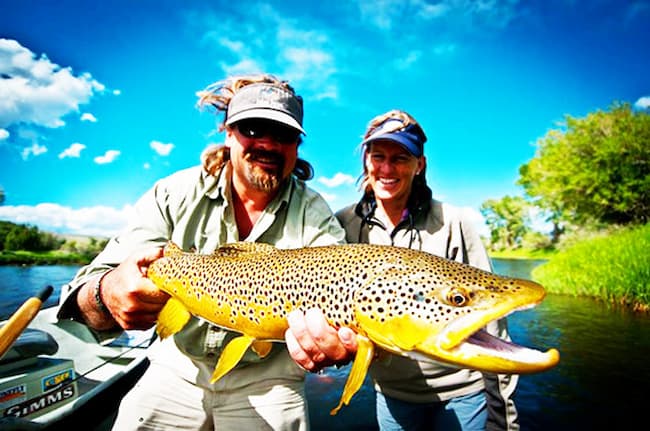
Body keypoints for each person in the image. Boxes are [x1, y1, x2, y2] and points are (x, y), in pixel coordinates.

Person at [56, 73, 356, 431]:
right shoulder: (173, 193)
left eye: (284, 135)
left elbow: (343, 282)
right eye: (254, 129)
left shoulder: (315, 212)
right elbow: (83, 295)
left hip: (269, 379)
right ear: (228, 133)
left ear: (296, 145)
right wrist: (107, 293)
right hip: (176, 367)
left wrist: (334, 339)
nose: (269, 144)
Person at [334, 110, 519, 431]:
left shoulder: (454, 221)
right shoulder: (344, 223)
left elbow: (494, 326)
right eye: (378, 156)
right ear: (366, 161)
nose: (387, 168)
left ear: (419, 164)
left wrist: (504, 419)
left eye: (401, 158)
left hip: (463, 392)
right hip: (391, 395)